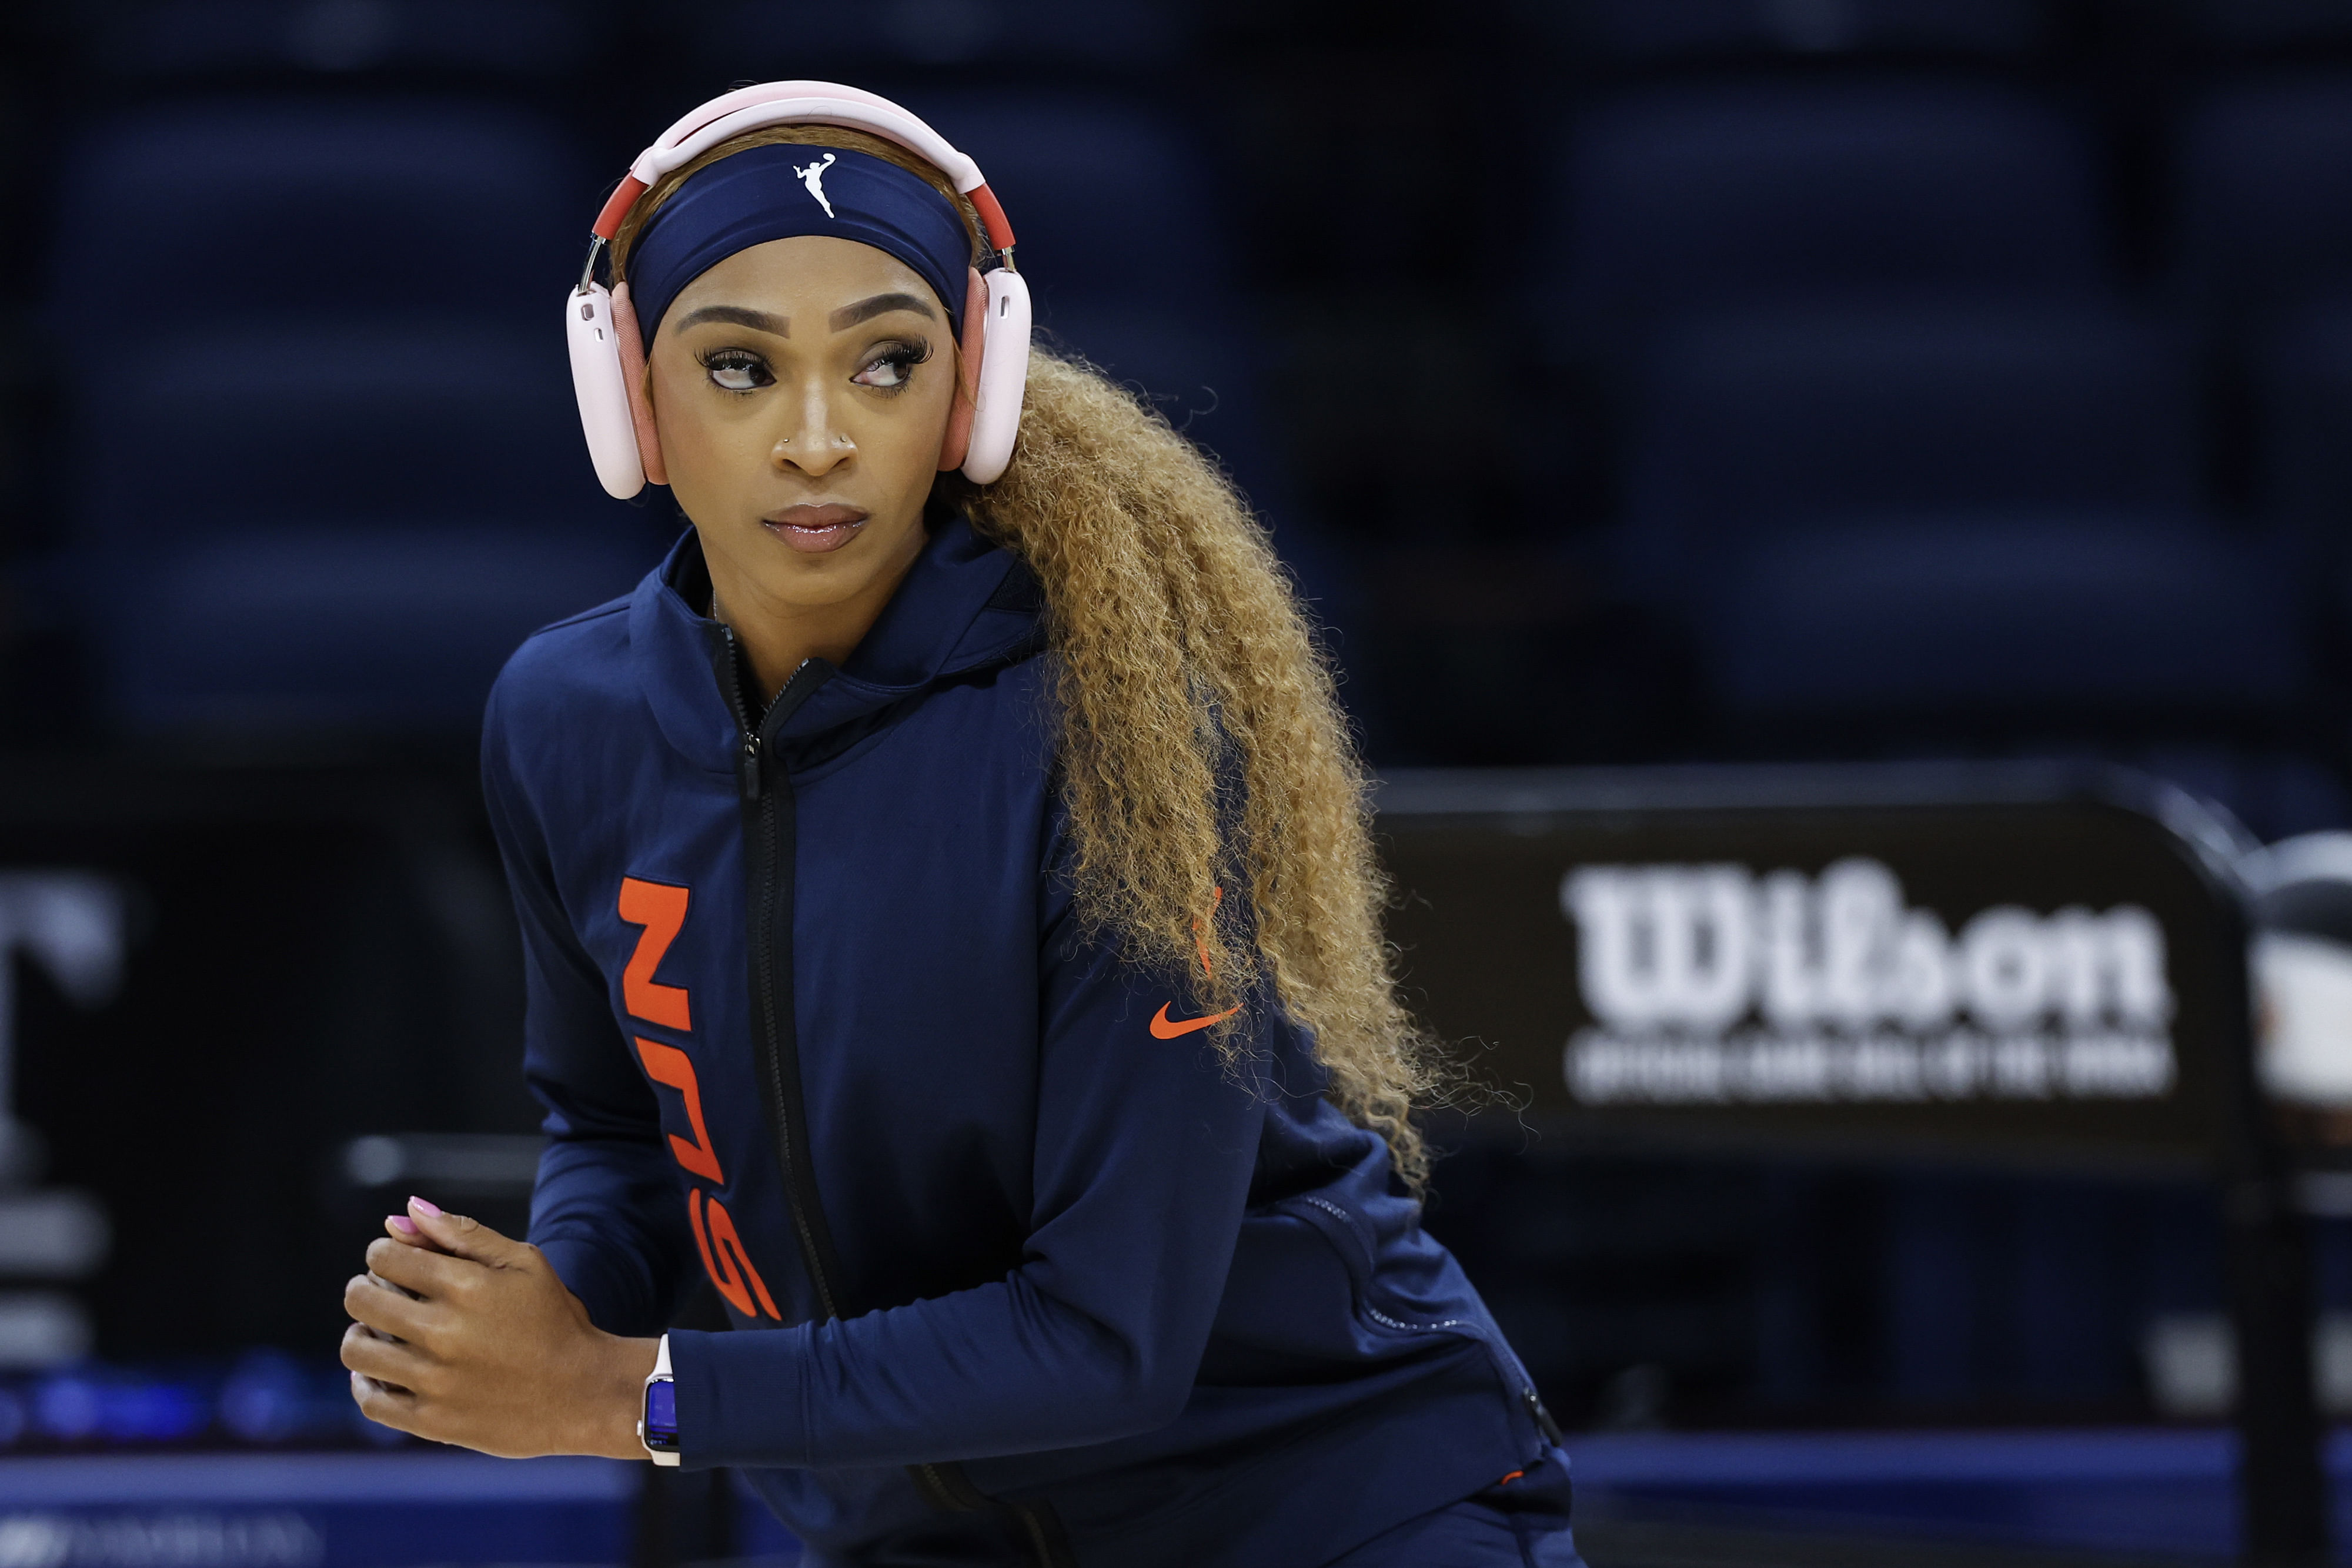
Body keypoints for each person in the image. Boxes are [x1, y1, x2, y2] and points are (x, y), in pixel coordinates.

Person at [338, 82, 1583, 1568]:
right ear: (631, 398)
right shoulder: (564, 715)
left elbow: (1105, 1337)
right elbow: (617, 1121)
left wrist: (627, 1391)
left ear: (969, 391)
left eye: (886, 363)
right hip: (912, 1538)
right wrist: (540, 1302)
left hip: (1311, 1505)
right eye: (738, 366)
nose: (816, 437)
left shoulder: (1118, 738)